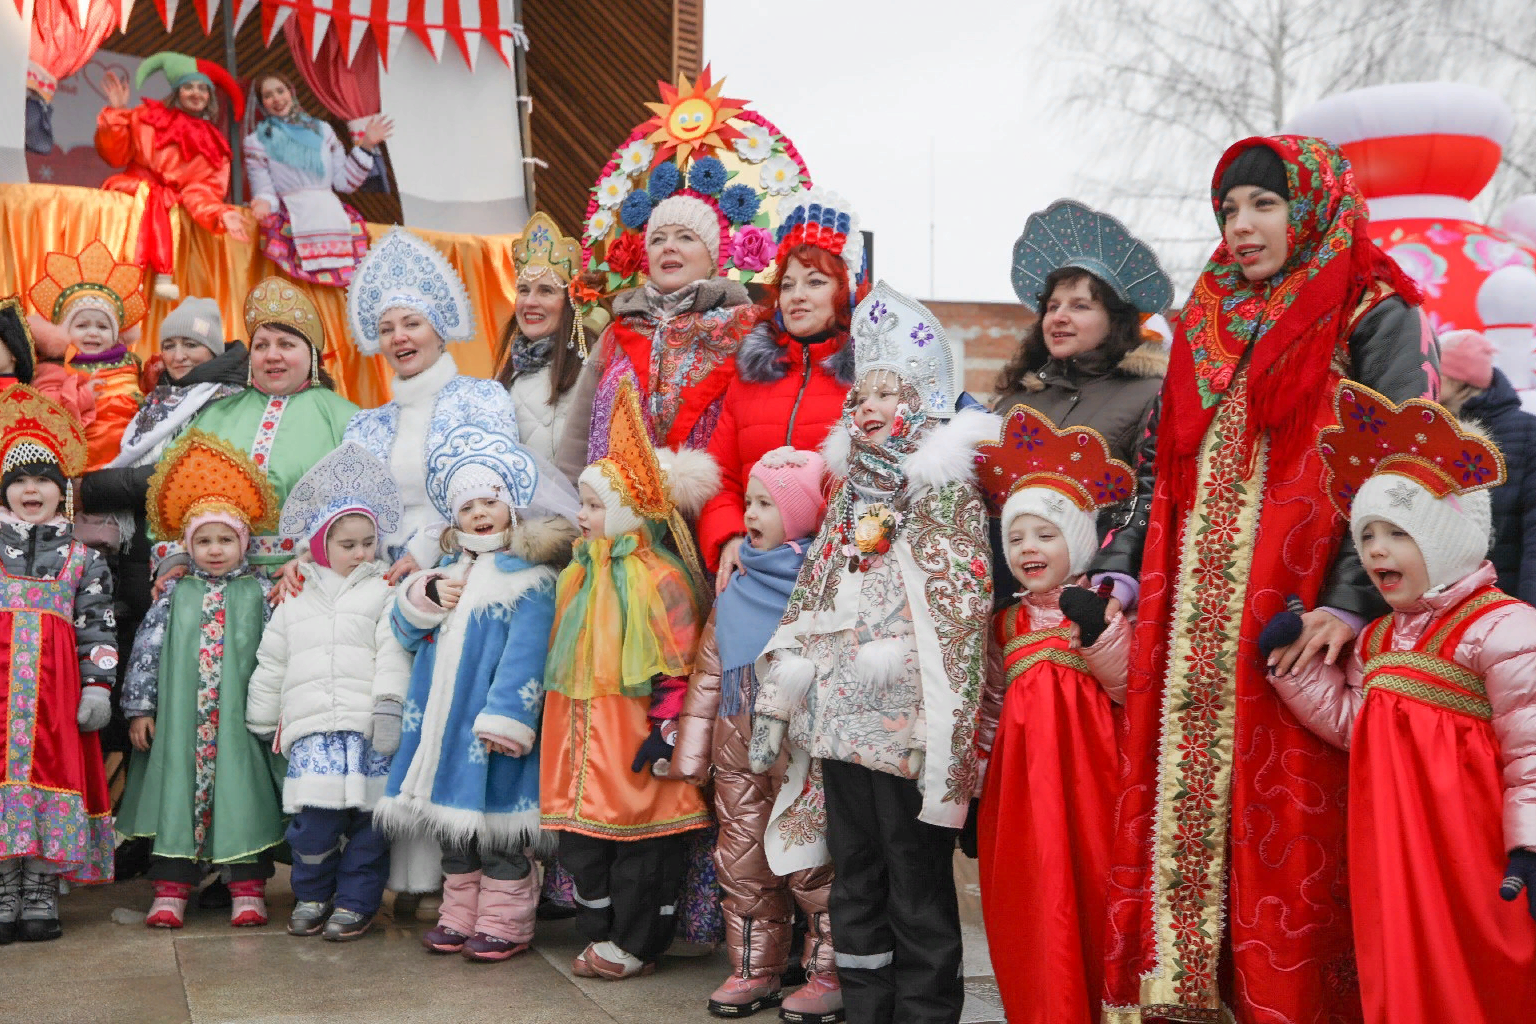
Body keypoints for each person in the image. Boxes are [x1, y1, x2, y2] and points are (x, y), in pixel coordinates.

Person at [1096, 137, 1439, 1023]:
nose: (1241, 228)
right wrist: (1121, 575)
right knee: (1183, 809)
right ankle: (1182, 996)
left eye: (1263, 205)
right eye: (1228, 211)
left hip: (1300, 618)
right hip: (1186, 623)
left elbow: (1402, 468)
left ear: (1314, 207)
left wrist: (1349, 600)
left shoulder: (1374, 308)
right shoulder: (1207, 317)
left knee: (1292, 831)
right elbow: (1162, 466)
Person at [749, 283, 998, 1024]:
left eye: (887, 394)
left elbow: (960, 609)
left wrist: (934, 719)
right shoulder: (849, 497)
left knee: (914, 875)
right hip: (839, 722)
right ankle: (865, 1004)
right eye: (863, 393)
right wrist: (784, 692)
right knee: (855, 872)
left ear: (917, 406)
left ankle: (923, 1011)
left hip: (905, 729)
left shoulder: (946, 495)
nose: (869, 406)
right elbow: (814, 597)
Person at [1263, 382, 1536, 1023]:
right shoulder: (1380, 635)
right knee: (1403, 968)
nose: (1378, 549)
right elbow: (1362, 725)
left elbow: (1532, 750)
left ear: (1445, 537)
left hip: (1473, 855)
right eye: (1369, 534)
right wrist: (1289, 670)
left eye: (1399, 532)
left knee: (1479, 971)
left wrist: (1529, 844)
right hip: (1395, 850)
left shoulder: (1504, 628)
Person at [379, 425, 577, 963]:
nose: (481, 514)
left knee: (497, 830)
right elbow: (403, 632)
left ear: (510, 508)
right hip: (441, 729)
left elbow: (528, 654)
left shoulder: (528, 578)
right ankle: (459, 914)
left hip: (489, 728)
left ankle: (504, 920)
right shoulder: (444, 574)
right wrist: (421, 597)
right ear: (454, 519)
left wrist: (509, 717)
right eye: (469, 507)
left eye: (491, 501)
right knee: (454, 830)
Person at [542, 379, 718, 980]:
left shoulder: (658, 578)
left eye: (593, 506)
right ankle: (598, 933)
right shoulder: (576, 574)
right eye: (582, 504)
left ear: (622, 513)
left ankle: (637, 942)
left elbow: (679, 661)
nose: (582, 516)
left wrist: (667, 728)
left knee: (641, 843)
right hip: (582, 741)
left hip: (634, 740)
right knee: (583, 845)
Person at [970, 406, 1134, 1024]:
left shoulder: (1100, 607)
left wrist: (1099, 635)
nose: (1028, 548)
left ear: (1081, 541)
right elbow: (988, 710)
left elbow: (1130, 690)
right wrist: (978, 792)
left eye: (1045, 534)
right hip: (1022, 791)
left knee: (1090, 890)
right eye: (1016, 537)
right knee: (1032, 898)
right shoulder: (1005, 622)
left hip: (1092, 781)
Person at [672, 446, 843, 1021]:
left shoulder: (819, 586)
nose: (751, 514)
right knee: (742, 858)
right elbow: (710, 671)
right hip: (737, 752)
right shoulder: (737, 582)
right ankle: (753, 965)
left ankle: (826, 971)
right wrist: (693, 754)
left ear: (798, 516)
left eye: (767, 504)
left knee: (811, 861)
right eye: (748, 501)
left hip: (800, 754)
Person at [116, 430, 285, 929]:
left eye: (225, 539)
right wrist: (140, 708)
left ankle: (248, 889)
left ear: (244, 543)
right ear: (188, 546)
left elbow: (279, 652)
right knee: (175, 794)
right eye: (203, 541)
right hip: (179, 723)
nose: (214, 550)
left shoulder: (262, 593)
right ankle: (170, 890)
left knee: (243, 794)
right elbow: (146, 652)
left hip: (240, 721)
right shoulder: (174, 594)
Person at [244, 442, 411, 941]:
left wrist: (388, 708)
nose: (361, 553)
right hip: (314, 731)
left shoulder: (384, 590)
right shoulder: (292, 597)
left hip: (366, 731)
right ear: (320, 546)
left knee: (368, 826)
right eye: (348, 544)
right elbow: (273, 659)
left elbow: (394, 652)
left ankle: (357, 902)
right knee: (313, 827)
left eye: (367, 542)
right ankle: (312, 893)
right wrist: (262, 714)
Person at [698, 189, 866, 586]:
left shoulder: (869, 383)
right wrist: (730, 535)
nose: (798, 296)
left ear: (844, 291)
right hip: (755, 568)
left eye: (815, 281)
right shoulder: (751, 376)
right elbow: (719, 476)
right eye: (787, 285)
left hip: (840, 576)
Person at [0, 384, 116, 944]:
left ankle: (41, 887)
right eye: (19, 480)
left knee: (51, 777)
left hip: (54, 696)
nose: (30, 489)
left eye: (43, 479)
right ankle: (4, 885)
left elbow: (99, 628)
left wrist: (98, 687)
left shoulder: (83, 559)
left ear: (62, 492)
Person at [343, 228, 522, 583]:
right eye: (386, 329)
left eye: (412, 323)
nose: (399, 337)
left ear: (439, 333)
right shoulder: (365, 425)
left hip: (464, 569)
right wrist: (307, 553)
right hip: (378, 576)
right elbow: (343, 508)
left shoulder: (482, 399)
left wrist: (426, 550)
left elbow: (494, 490)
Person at [153, 278, 358, 583]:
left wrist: (311, 560)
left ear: (312, 355)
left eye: (286, 344)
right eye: (261, 346)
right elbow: (172, 493)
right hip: (220, 585)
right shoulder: (215, 415)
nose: (272, 355)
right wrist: (176, 558)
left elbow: (363, 510)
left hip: (311, 583)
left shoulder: (346, 419)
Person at [96, 52, 250, 302]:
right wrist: (118, 113)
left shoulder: (214, 144)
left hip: (169, 211)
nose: (196, 93)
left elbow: (201, 192)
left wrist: (220, 212)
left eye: (203, 88)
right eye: (188, 86)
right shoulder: (147, 115)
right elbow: (115, 155)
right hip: (130, 199)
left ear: (210, 96)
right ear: (177, 91)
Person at [243, 72, 391, 287]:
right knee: (300, 289)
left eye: (280, 91)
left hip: (332, 219)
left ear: (291, 93)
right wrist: (263, 202)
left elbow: (344, 182)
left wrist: (367, 144)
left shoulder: (324, 131)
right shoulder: (256, 142)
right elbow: (265, 189)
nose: (276, 99)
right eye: (268, 95)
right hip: (293, 220)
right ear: (261, 103)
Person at [25, 239, 148, 473]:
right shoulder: (55, 366)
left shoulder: (131, 363)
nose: (93, 332)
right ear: (64, 331)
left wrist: (154, 376)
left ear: (115, 335)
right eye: (82, 325)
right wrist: (82, 397)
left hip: (128, 463)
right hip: (79, 466)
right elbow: (45, 412)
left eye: (102, 327)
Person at [1437, 329, 1536, 605]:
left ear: (1457, 379)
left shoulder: (1527, 431)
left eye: (1438, 371)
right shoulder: (1430, 428)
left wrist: (1529, 612)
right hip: (1439, 598)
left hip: (1503, 599)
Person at [497, 212, 604, 464]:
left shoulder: (590, 368)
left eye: (546, 291)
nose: (530, 302)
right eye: (524, 290)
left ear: (570, 303)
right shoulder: (508, 375)